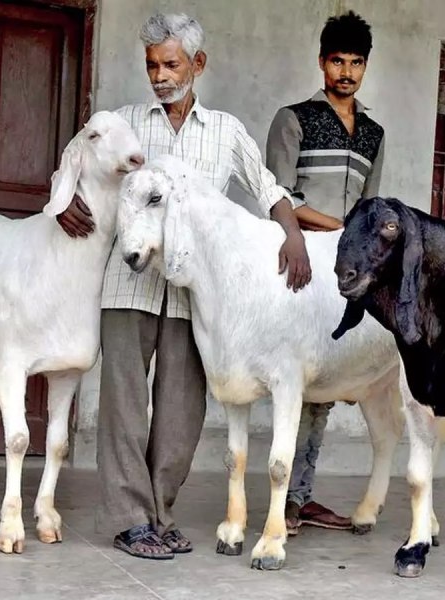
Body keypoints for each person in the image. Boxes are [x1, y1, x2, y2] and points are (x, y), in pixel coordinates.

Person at [56, 13, 311, 560]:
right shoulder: (126, 121)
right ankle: (129, 520)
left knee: (181, 411)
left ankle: (160, 513)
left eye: (170, 64)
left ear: (198, 64)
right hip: (128, 282)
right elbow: (77, 161)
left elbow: (267, 187)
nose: (160, 75)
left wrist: (292, 235)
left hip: (195, 293)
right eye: (152, 65)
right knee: (124, 405)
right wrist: (62, 203)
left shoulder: (225, 131)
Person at [265, 10, 385, 536]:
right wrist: (340, 228)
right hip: (300, 263)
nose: (346, 72)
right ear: (321, 62)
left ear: (365, 67)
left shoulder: (374, 133)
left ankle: (300, 497)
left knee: (327, 383)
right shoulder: (293, 119)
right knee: (293, 378)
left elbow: (371, 206)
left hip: (346, 273)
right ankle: (283, 499)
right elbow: (278, 196)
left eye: (356, 63)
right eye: (338, 61)